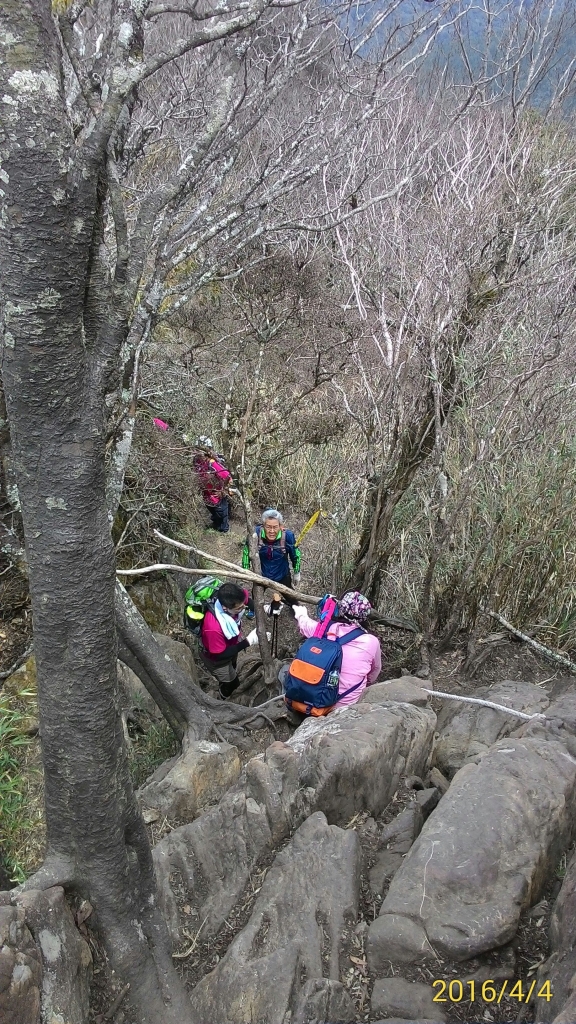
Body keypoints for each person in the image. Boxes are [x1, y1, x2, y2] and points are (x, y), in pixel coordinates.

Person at [291, 591, 381, 708]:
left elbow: (305, 625)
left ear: (341, 610)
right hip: (346, 705)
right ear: (365, 616)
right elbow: (375, 671)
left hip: (313, 698)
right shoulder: (371, 642)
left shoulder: (325, 629)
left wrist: (301, 614)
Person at [199, 582, 260, 698]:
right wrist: (248, 642)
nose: (244, 608)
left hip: (229, 645)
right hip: (216, 659)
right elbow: (220, 655)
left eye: (243, 605)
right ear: (225, 608)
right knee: (232, 684)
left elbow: (248, 601)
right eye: (239, 608)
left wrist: (265, 609)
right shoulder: (213, 627)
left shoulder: (235, 597)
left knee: (233, 665)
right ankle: (224, 696)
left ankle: (231, 675)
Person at [242, 508, 301, 606]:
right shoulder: (255, 534)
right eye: (268, 527)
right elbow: (246, 551)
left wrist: (297, 572)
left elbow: (296, 555)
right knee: (256, 595)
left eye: (275, 527)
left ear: (281, 526)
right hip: (261, 573)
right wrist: (245, 569)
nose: (272, 531)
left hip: (282, 573)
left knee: (291, 597)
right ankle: (253, 609)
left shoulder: (288, 536)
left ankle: (297, 610)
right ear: (263, 525)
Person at [193, 436, 232, 533]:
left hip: (218, 497)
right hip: (207, 495)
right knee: (214, 515)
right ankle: (215, 526)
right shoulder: (197, 462)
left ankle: (224, 534)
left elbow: (228, 477)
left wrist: (223, 491)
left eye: (200, 450)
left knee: (222, 520)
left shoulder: (212, 464)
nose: (197, 452)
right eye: (197, 449)